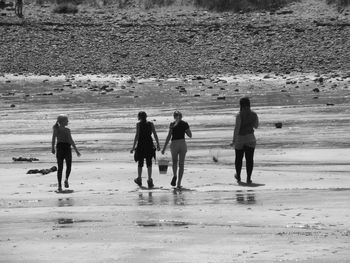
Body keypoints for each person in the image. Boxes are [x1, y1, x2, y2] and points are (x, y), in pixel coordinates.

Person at [231, 97, 259, 184]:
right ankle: (248, 178)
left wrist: (233, 140)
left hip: (240, 139)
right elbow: (256, 126)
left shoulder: (239, 115)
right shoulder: (254, 114)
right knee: (249, 159)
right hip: (250, 138)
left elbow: (237, 128)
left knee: (238, 159)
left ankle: (238, 177)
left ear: (241, 105)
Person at [162, 111, 192, 189]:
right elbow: (190, 135)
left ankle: (175, 175)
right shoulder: (185, 124)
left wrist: (164, 148)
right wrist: (185, 130)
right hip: (182, 143)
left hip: (174, 144)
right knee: (181, 164)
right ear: (181, 116)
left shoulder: (172, 124)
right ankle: (178, 183)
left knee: (174, 162)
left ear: (174, 117)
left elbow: (169, 136)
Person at [130, 111, 160, 188]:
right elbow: (155, 134)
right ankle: (149, 180)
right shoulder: (150, 124)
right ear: (146, 116)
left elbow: (137, 136)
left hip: (141, 145)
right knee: (149, 162)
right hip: (149, 144)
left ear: (139, 117)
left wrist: (133, 147)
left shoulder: (138, 124)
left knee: (140, 162)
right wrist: (158, 145)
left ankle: (139, 178)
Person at [51, 115, 81, 192]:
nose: (68, 122)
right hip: (67, 148)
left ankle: (60, 186)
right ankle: (66, 179)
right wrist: (76, 150)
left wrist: (53, 148)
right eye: (66, 121)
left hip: (59, 148)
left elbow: (53, 139)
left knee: (60, 168)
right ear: (62, 122)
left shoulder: (56, 129)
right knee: (68, 166)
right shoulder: (67, 130)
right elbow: (71, 141)